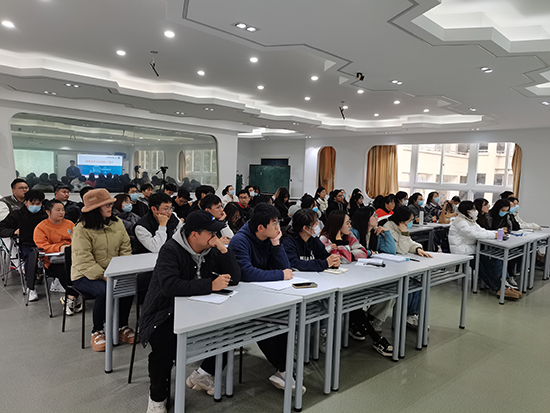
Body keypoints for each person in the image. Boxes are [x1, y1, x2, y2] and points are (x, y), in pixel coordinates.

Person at [139, 211, 241, 412]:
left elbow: (235, 278)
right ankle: (157, 397)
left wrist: (223, 250)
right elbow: (170, 286)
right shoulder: (171, 250)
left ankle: (204, 373)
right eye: (210, 233)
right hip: (165, 311)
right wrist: (210, 285)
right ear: (194, 234)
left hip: (200, 309)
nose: (214, 237)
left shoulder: (210, 249)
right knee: (164, 348)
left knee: (230, 331)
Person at [229, 204, 306, 393]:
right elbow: (246, 273)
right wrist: (279, 275)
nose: (278, 227)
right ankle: (284, 371)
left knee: (285, 319)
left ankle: (284, 371)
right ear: (260, 227)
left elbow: (285, 267)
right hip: (241, 300)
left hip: (263, 295)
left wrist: (276, 245)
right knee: (268, 324)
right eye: (274, 223)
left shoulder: (270, 238)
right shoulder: (240, 241)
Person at [319, 210, 393, 357]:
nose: (350, 226)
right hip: (331, 283)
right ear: (338, 225)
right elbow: (342, 260)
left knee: (387, 291)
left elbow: (362, 252)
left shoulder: (350, 235)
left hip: (350, 278)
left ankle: (363, 326)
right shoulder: (324, 239)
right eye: (347, 223)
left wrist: (342, 248)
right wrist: (343, 246)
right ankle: (374, 337)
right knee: (351, 303)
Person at [70, 188, 135, 352]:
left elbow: (125, 248)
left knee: (127, 287)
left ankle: (121, 327)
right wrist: (104, 276)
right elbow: (83, 259)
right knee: (105, 291)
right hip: (85, 274)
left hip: (113, 272)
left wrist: (122, 271)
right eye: (106, 205)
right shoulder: (81, 229)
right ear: (95, 209)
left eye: (110, 204)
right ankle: (97, 331)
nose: (111, 207)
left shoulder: (117, 223)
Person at [449, 201, 520, 299]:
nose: (475, 211)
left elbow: (482, 231)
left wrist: (495, 233)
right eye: (473, 209)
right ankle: (498, 288)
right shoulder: (460, 222)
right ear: (467, 211)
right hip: (462, 251)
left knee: (490, 262)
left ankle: (503, 286)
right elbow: (474, 234)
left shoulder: (470, 220)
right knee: (480, 267)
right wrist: (494, 235)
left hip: (471, 249)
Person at [384, 206, 433, 326]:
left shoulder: (399, 226)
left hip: (399, 264)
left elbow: (410, 243)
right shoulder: (388, 228)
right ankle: (406, 316)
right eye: (409, 220)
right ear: (401, 220)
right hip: (388, 266)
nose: (410, 223)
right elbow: (401, 249)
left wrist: (417, 249)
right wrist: (404, 233)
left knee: (417, 283)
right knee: (409, 284)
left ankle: (410, 314)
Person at [350, 206, 397, 333]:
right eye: (374, 215)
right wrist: (371, 253)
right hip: (355, 273)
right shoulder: (354, 232)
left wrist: (387, 233)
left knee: (391, 291)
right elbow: (355, 252)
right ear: (365, 218)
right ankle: (355, 324)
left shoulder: (375, 233)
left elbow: (391, 251)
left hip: (371, 271)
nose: (377, 218)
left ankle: (372, 320)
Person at [33, 200, 81, 315]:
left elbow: (78, 239)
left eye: (63, 210)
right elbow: (42, 246)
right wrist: (59, 248)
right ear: (48, 212)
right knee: (65, 271)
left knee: (80, 269)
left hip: (73, 256)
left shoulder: (69, 224)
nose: (61, 213)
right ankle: (74, 296)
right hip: (52, 260)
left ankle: (71, 298)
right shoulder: (41, 227)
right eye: (58, 210)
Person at [0, 190, 47, 301]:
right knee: (30, 257)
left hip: (45, 242)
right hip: (27, 243)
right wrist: (14, 232)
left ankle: (57, 281)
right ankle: (31, 287)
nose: (35, 206)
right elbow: (1, 228)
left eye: (38, 204)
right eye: (32, 203)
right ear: (26, 202)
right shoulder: (16, 215)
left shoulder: (46, 214)